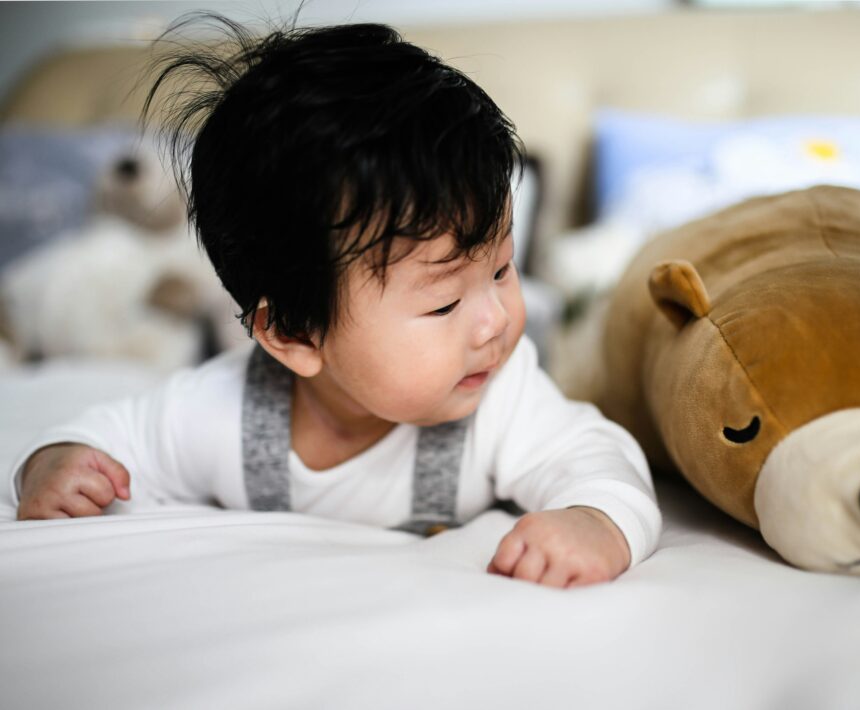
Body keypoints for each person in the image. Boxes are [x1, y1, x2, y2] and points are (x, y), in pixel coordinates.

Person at [9, 19, 661, 588]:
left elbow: (601, 462)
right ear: (293, 332)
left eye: (502, 269)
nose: (494, 321)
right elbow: (107, 440)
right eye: (442, 305)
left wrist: (593, 522)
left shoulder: (501, 400)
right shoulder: (224, 412)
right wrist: (56, 463)